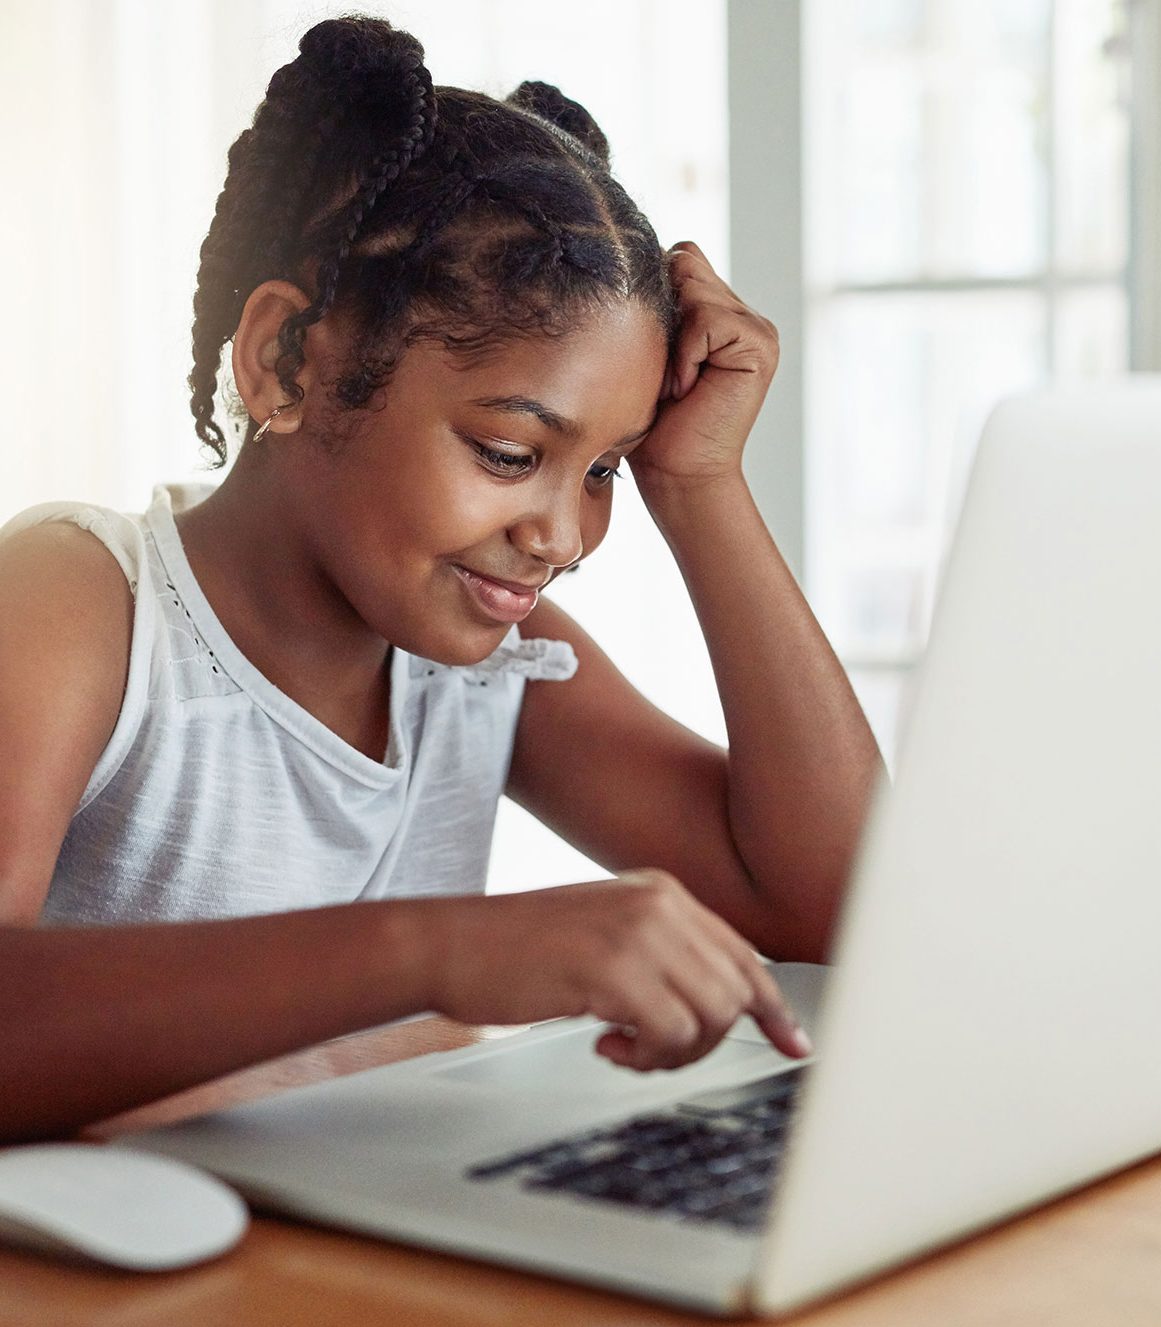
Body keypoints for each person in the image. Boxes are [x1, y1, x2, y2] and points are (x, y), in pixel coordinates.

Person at [0, 16, 881, 1143]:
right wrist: (441, 950)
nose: (561, 533)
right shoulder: (83, 608)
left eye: (603, 467)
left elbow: (830, 908)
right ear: (284, 362)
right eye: (512, 454)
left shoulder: (484, 666)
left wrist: (701, 482)